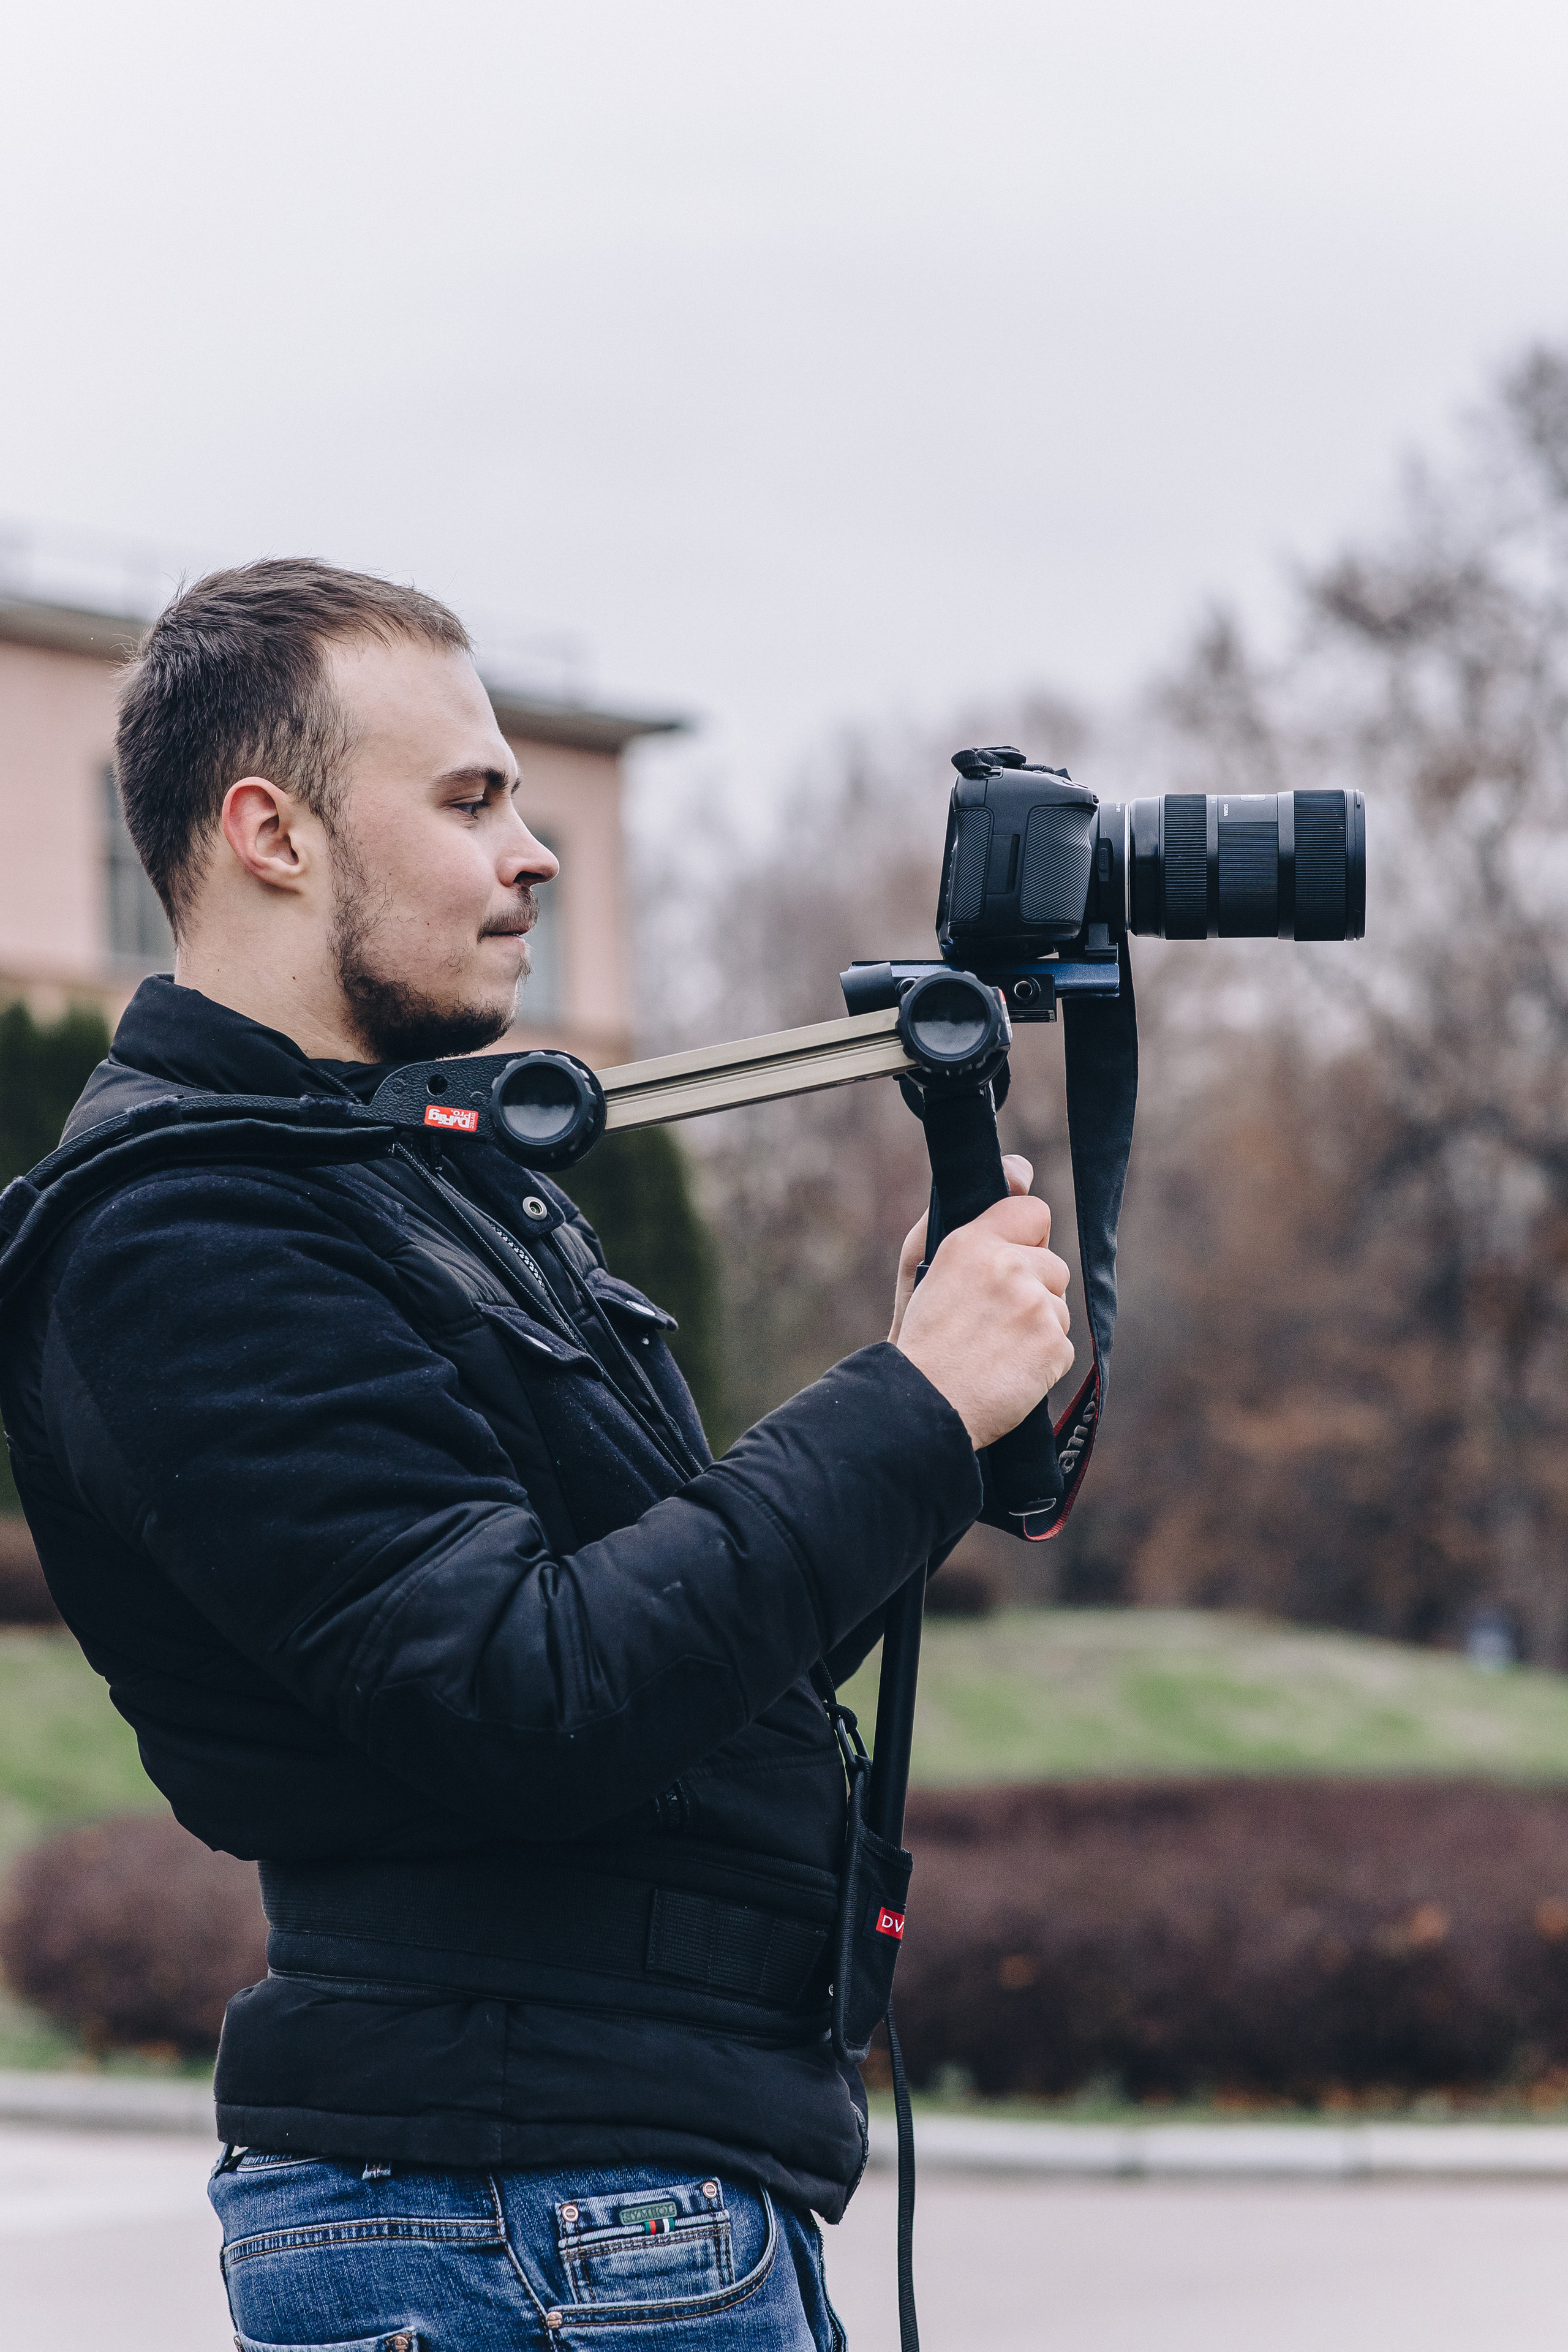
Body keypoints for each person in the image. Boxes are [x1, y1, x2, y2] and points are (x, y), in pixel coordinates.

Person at [0, 560, 1072, 2350]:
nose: (538, 855)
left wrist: (928, 1404)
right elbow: (524, 1692)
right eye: (472, 800)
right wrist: (903, 1410)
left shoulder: (409, 1180)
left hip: (604, 2209)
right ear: (271, 831)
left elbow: (680, 1657)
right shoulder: (183, 1238)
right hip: (517, 2225)